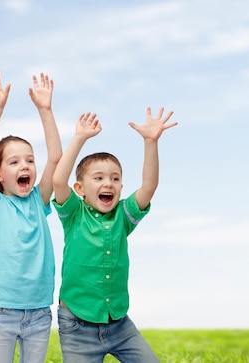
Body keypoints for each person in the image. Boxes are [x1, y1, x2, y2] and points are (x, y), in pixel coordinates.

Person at [52, 108, 177, 362]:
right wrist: (79, 138)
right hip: (77, 325)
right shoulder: (75, 214)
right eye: (98, 178)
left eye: (115, 178)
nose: (108, 183)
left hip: (119, 324)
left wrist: (150, 142)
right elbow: (57, 182)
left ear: (121, 187)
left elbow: (149, 186)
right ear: (80, 189)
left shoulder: (123, 216)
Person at [0, 71, 62, 363]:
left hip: (38, 311)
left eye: (29, 160)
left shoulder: (40, 199)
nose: (25, 165)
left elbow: (55, 158)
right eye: (14, 161)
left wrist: (45, 110)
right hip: (0, 311)